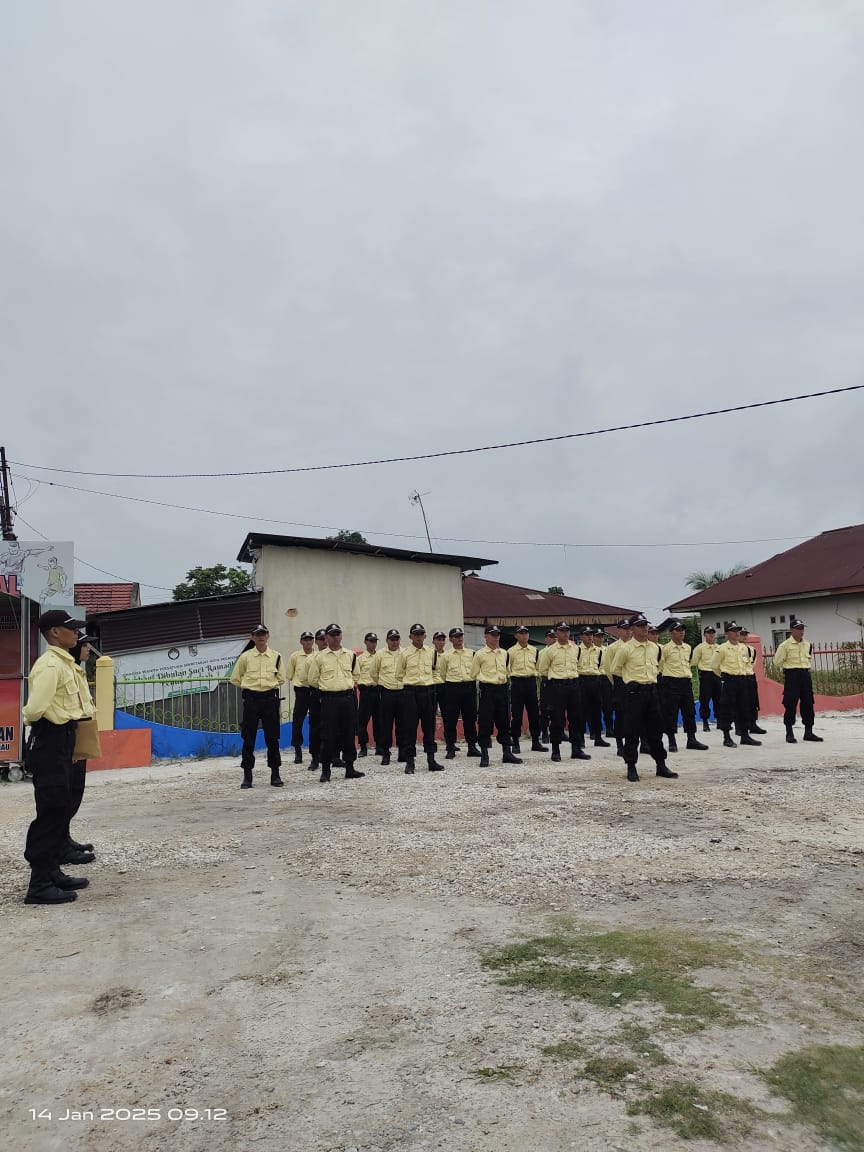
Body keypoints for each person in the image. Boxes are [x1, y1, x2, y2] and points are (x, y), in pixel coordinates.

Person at [21, 610, 94, 905]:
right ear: (54, 632)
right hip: (50, 738)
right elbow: (34, 709)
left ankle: (52, 871)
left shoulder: (63, 663)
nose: (76, 634)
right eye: (71, 629)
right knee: (51, 810)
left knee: (61, 805)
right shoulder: (50, 665)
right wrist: (46, 728)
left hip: (63, 738)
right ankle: (39, 884)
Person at [610, 615, 677, 783]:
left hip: (652, 692)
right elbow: (615, 669)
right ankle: (631, 766)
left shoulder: (655, 648)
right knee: (632, 732)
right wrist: (630, 681)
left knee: (656, 731)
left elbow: (659, 666)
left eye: (646, 625)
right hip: (634, 694)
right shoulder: (625, 649)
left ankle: (661, 765)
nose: (645, 628)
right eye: (640, 626)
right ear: (632, 629)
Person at [307, 624, 365, 783]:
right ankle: (326, 770)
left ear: (341, 636)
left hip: (347, 698)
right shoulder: (320, 657)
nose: (335, 637)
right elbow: (312, 679)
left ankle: (350, 768)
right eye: (332, 635)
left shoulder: (350, 655)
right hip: (329, 700)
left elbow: (356, 675)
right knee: (327, 735)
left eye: (338, 634)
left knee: (348, 734)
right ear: (326, 637)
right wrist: (328, 688)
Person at [230, 625, 286, 788]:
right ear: (252, 637)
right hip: (252, 700)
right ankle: (247, 776)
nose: (261, 637)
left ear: (268, 636)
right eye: (257, 634)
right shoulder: (245, 657)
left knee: (272, 738)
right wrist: (250, 687)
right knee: (248, 738)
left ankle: (275, 774)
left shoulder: (276, 656)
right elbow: (235, 678)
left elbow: (281, 678)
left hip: (269, 699)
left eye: (263, 634)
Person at [64, 632, 99, 860]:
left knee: (76, 790)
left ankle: (64, 837)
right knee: (66, 793)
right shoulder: (67, 670)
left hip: (82, 732)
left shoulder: (78, 670)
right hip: (71, 735)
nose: (87, 650)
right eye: (84, 645)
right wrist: (73, 746)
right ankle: (60, 844)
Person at [537, 622, 590, 763]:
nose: (565, 633)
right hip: (557, 686)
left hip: (574, 685)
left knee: (576, 719)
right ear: (556, 633)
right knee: (557, 719)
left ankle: (576, 749)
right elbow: (543, 670)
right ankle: (556, 750)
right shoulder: (550, 651)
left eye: (567, 630)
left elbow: (579, 666)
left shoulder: (576, 649)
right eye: (562, 630)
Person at [471, 625, 521, 767]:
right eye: (493, 634)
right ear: (486, 636)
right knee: (485, 723)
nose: (496, 637)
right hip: (488, 690)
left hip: (502, 689)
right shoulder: (479, 654)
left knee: (504, 722)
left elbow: (507, 671)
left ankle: (507, 753)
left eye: (498, 634)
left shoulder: (504, 653)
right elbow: (473, 673)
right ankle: (484, 755)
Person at [656, 619, 708, 752]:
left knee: (689, 711)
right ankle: (672, 741)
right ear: (671, 633)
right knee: (671, 713)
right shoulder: (665, 649)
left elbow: (689, 663)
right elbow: (659, 666)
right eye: (678, 630)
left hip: (685, 682)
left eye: (683, 630)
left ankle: (692, 739)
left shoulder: (688, 648)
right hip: (671, 682)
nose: (681, 632)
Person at [401, 624, 444, 774]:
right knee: (410, 728)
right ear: (410, 636)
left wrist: (431, 685)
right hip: (411, 692)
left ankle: (431, 760)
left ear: (425, 636)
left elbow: (436, 671)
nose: (419, 637)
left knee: (429, 728)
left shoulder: (432, 652)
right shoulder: (404, 653)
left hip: (428, 692)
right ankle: (410, 762)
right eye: (416, 634)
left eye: (421, 634)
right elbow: (399, 674)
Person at [773, 618, 823, 743]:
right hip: (792, 676)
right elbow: (777, 662)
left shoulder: (807, 644)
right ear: (791, 630)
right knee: (790, 704)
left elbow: (809, 659)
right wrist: (789, 667)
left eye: (802, 628)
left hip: (805, 675)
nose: (801, 631)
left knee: (808, 703)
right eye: (798, 628)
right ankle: (789, 733)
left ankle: (808, 732)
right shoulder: (785, 645)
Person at [712, 622, 760, 748]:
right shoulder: (722, 649)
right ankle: (727, 737)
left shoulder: (743, 648)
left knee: (744, 708)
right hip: (729, 680)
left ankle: (745, 735)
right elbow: (715, 666)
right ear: (727, 633)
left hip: (742, 680)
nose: (737, 633)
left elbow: (747, 664)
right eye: (733, 630)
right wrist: (725, 677)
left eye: (738, 630)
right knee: (727, 709)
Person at [437, 627, 479, 759]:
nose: (459, 638)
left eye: (461, 636)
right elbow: (442, 674)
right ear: (451, 639)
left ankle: (472, 746)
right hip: (452, 687)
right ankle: (450, 747)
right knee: (451, 719)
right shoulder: (446, 656)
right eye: (456, 636)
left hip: (469, 687)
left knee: (470, 718)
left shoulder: (472, 653)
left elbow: (475, 670)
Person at [508, 625, 547, 754]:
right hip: (517, 683)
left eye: (526, 633)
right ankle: (515, 742)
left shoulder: (534, 650)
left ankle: (536, 741)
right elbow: (508, 668)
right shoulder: (511, 651)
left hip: (530, 682)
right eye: (521, 633)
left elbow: (538, 667)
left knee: (534, 714)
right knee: (517, 715)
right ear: (516, 636)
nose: (524, 636)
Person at [371, 629, 405, 765]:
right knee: (385, 725)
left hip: (402, 692)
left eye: (397, 639)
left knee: (402, 724)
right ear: (387, 640)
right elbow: (373, 672)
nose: (394, 642)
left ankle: (402, 752)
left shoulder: (405, 653)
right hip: (386, 693)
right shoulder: (380, 654)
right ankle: (386, 753)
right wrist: (382, 683)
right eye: (392, 639)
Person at [602, 619, 632, 757]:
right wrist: (616, 683)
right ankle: (620, 744)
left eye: (629, 629)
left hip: (635, 683)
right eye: (625, 629)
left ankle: (638, 743)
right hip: (620, 683)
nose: (628, 632)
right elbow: (608, 669)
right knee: (620, 716)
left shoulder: (635, 646)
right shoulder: (612, 648)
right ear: (619, 630)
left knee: (636, 715)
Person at [286, 631, 316, 765]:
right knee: (297, 721)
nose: (308, 642)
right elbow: (289, 674)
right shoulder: (295, 656)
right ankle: (297, 750)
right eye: (305, 639)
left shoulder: (318, 655)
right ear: (301, 642)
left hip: (314, 691)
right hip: (301, 692)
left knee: (315, 722)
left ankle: (315, 751)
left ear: (313, 641)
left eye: (310, 639)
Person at [577, 627, 609, 748]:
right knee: (582, 711)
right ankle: (580, 738)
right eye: (586, 634)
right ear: (581, 636)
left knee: (596, 710)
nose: (589, 636)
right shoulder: (577, 650)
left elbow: (600, 666)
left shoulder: (598, 651)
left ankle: (598, 737)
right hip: (582, 680)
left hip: (595, 680)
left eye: (591, 634)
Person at [354, 632, 380, 759]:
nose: (373, 644)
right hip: (365, 692)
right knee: (362, 721)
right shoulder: (360, 659)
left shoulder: (380, 656)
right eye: (371, 641)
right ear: (365, 642)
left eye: (375, 641)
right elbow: (355, 674)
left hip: (378, 690)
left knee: (379, 720)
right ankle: (363, 746)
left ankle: (379, 746)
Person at [690, 626, 721, 732]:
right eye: (708, 633)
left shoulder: (719, 647)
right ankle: (705, 722)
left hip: (717, 675)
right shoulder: (700, 648)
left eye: (712, 633)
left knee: (719, 699)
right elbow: (694, 662)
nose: (711, 635)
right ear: (704, 635)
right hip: (706, 675)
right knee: (704, 700)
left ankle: (720, 720)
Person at [307, 628, 328, 773]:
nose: (324, 642)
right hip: (315, 693)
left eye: (325, 638)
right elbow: (307, 679)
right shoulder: (311, 659)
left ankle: (334, 756)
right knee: (315, 728)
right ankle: (315, 758)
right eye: (321, 639)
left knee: (333, 727)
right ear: (316, 642)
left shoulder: (335, 656)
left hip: (331, 695)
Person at [739, 628, 767, 736]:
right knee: (741, 703)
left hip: (750, 676)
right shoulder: (736, 649)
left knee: (753, 702)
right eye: (742, 634)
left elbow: (752, 663)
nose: (744, 637)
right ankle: (740, 726)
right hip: (740, 677)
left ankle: (753, 724)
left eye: (746, 634)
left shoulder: (752, 649)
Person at [538, 628, 556, 744]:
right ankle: (544, 732)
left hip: (558, 682)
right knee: (545, 709)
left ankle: (558, 732)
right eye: (551, 637)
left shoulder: (560, 651)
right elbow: (539, 669)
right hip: (547, 682)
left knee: (558, 708)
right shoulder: (542, 653)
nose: (554, 639)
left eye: (555, 637)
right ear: (546, 639)